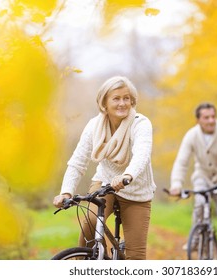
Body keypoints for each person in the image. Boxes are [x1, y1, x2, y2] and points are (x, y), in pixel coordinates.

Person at [53, 76, 156, 260]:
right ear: (104, 103)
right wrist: (66, 192)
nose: (122, 103)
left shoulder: (141, 123)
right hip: (105, 182)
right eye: (116, 98)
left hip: (136, 190)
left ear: (132, 101)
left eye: (126, 98)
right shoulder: (94, 126)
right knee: (90, 224)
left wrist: (127, 175)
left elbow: (142, 154)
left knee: (136, 255)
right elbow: (78, 162)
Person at [169, 102, 217, 260]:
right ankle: (196, 239)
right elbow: (182, 162)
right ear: (198, 120)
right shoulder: (191, 135)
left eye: (213, 117)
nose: (211, 120)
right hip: (202, 179)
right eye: (206, 117)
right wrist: (176, 184)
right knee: (200, 204)